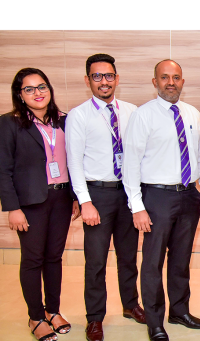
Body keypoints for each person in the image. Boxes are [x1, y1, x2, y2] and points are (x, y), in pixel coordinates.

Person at [122, 59, 200, 341]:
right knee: (153, 262)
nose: (170, 82)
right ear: (155, 82)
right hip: (156, 197)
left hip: (188, 195)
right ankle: (155, 320)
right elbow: (130, 163)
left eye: (176, 77)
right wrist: (137, 206)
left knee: (181, 259)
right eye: (164, 77)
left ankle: (179, 311)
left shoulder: (192, 113)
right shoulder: (143, 115)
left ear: (182, 81)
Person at [0, 68, 79, 341]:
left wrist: (76, 197)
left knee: (54, 257)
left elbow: (76, 161)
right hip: (30, 203)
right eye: (29, 89)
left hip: (62, 198)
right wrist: (12, 208)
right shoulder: (10, 122)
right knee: (33, 259)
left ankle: (53, 311)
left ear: (49, 89)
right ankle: (36, 317)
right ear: (20, 94)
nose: (37, 93)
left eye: (42, 86)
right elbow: (1, 169)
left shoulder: (64, 120)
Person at [65, 54, 145, 341]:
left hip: (128, 193)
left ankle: (131, 305)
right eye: (97, 76)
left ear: (117, 79)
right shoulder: (78, 115)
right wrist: (84, 201)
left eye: (109, 75)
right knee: (96, 261)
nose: (104, 81)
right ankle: (95, 317)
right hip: (97, 194)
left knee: (128, 257)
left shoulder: (132, 111)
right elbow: (73, 162)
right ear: (88, 80)